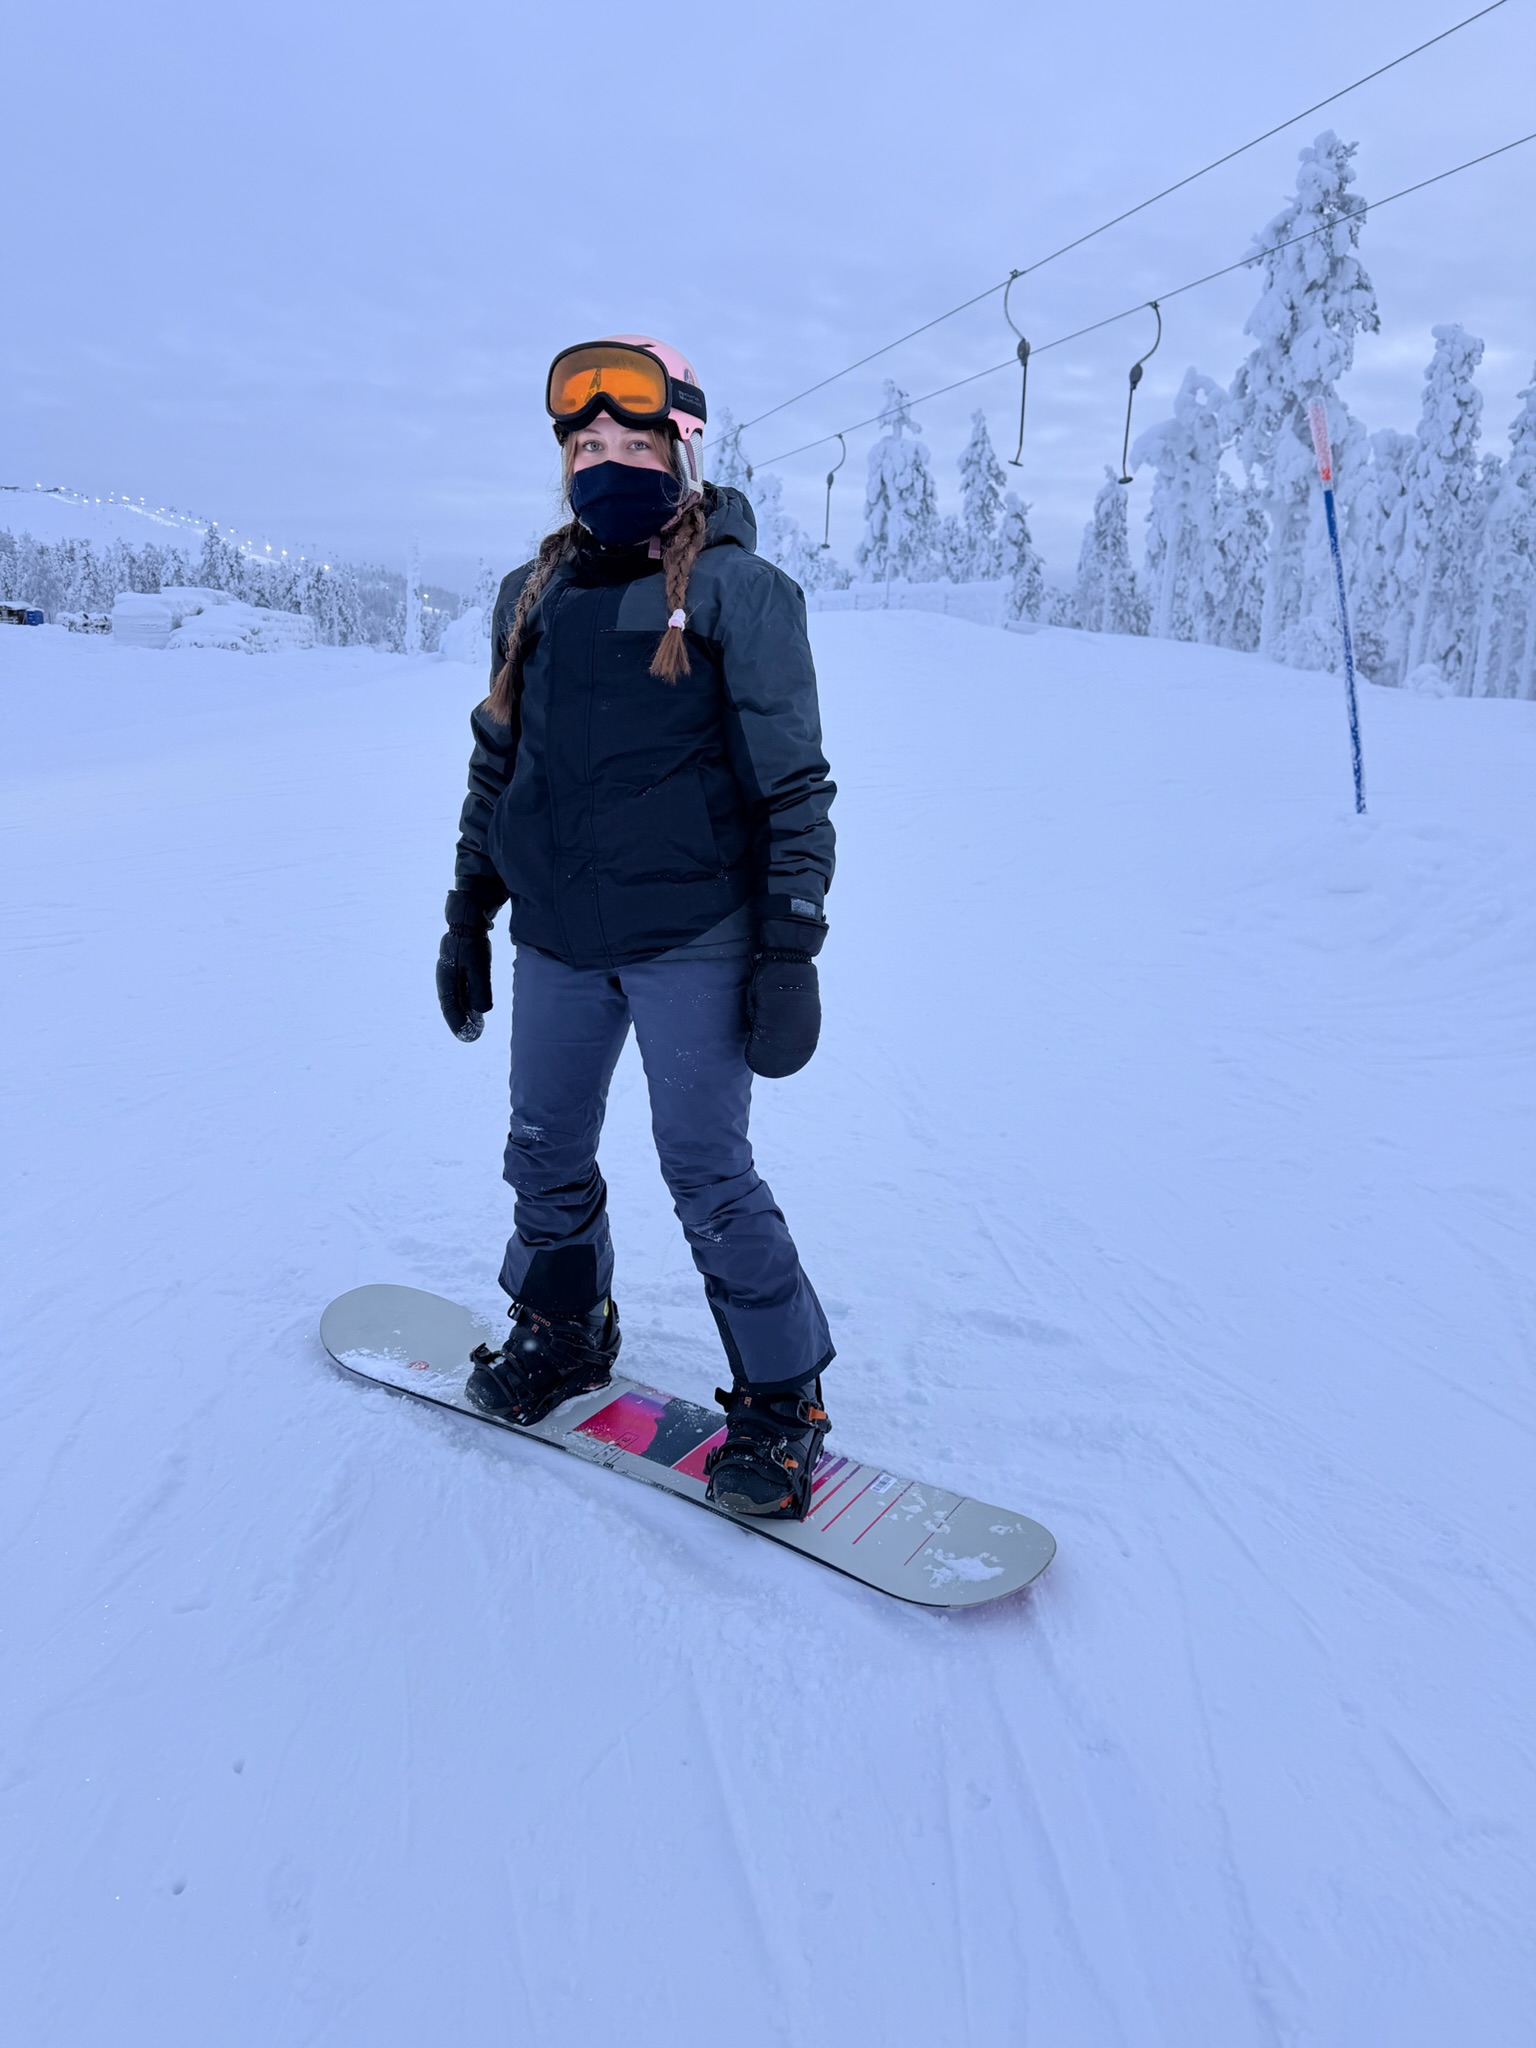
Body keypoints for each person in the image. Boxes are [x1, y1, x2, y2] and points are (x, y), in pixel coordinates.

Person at [435, 337, 837, 1519]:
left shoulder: (738, 594)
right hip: (558, 937)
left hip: (693, 937)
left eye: (632, 442)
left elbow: (793, 786)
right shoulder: (531, 597)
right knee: (542, 1150)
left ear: (683, 453)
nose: (604, 462)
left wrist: (791, 945)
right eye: (584, 445)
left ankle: (781, 1397)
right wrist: (469, 907)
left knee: (708, 1173)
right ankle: (566, 1324)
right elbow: (498, 765)